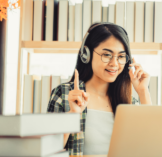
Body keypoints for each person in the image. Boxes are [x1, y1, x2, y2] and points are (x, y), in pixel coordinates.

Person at [47, 22, 152, 155]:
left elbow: (151, 148)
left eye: (120, 57)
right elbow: (48, 150)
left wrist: (143, 92)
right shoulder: (65, 94)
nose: (114, 64)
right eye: (107, 55)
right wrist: (73, 114)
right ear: (87, 54)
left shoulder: (130, 102)